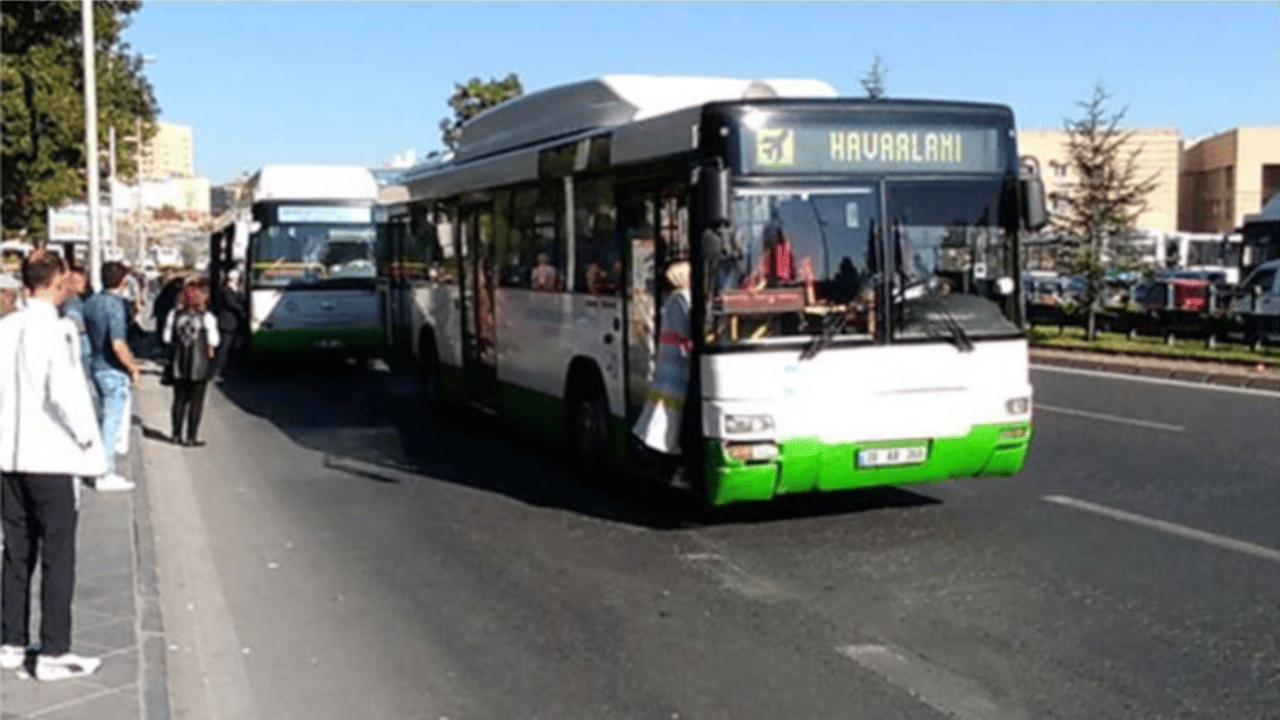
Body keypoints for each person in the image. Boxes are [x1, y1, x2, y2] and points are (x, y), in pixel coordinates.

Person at [0, 251, 107, 681]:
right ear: (58, 279)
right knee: (58, 554)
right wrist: (88, 443)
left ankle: (11, 640)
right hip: (50, 456)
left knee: (16, 550)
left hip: (8, 456)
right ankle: (53, 649)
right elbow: (65, 394)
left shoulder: (5, 328)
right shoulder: (56, 330)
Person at [82, 262, 140, 492]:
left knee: (102, 419)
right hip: (112, 368)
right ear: (123, 281)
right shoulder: (115, 306)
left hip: (96, 364)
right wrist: (133, 367)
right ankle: (105, 472)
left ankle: (97, 465)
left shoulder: (91, 302)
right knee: (111, 422)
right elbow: (118, 344)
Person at [632, 259, 693, 455]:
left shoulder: (676, 298)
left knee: (665, 402)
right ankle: (661, 443)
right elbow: (683, 330)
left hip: (670, 357)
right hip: (675, 359)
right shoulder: (679, 299)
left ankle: (651, 438)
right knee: (671, 404)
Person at [163, 281, 219, 446]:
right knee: (196, 402)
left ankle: (175, 435)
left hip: (178, 363)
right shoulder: (207, 317)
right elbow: (214, 341)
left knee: (179, 399)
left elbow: (166, 338)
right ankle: (191, 437)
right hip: (199, 364)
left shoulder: (174, 315)